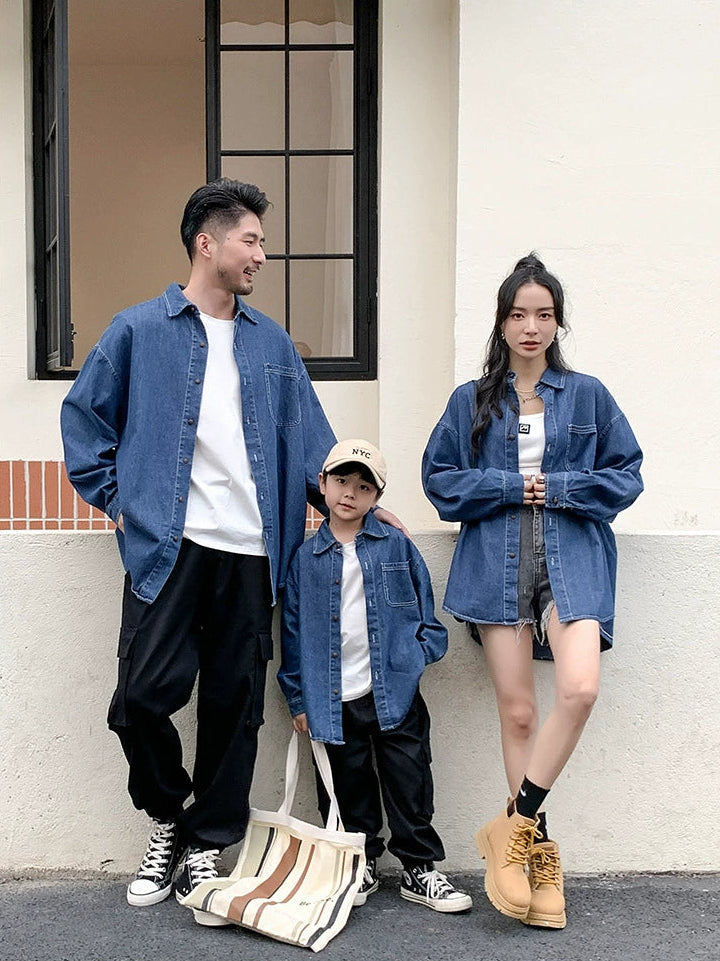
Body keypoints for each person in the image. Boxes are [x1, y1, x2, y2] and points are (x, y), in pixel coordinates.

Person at [60, 179, 404, 918]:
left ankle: (206, 844)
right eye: (251, 240)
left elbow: (312, 443)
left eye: (262, 242)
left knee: (234, 707)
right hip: (169, 549)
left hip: (252, 555)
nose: (262, 255)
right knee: (140, 700)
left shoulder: (271, 343)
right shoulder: (137, 331)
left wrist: (363, 506)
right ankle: (167, 818)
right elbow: (84, 424)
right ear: (206, 242)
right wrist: (121, 501)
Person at [422, 254, 643, 929]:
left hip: (573, 558)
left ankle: (511, 827)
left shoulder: (589, 395)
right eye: (519, 314)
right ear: (501, 321)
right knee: (518, 714)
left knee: (580, 689)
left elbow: (626, 475)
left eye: (544, 314)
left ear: (557, 322)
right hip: (496, 560)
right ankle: (534, 855)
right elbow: (441, 480)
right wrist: (512, 486)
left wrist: (561, 488)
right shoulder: (471, 400)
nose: (531, 326)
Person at [278, 439, 472, 915]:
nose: (350, 493)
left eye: (364, 487)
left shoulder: (395, 545)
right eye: (341, 481)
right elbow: (293, 632)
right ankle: (358, 861)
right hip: (332, 698)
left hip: (394, 691)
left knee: (410, 780)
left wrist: (416, 656)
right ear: (322, 484)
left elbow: (425, 611)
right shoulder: (305, 559)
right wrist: (298, 699)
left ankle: (419, 868)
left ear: (377, 497)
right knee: (347, 786)